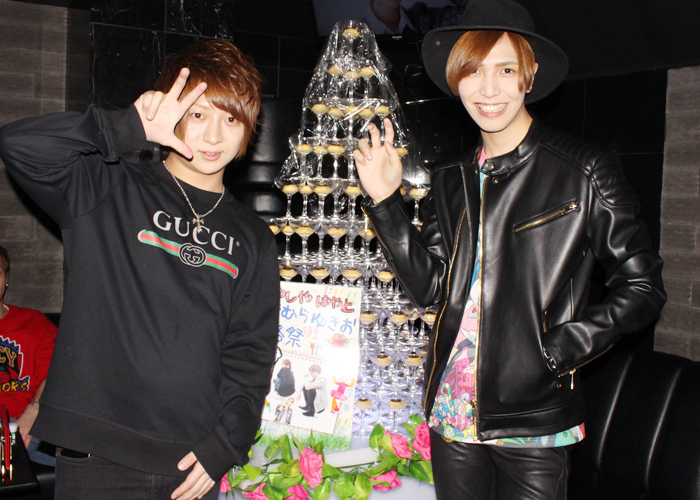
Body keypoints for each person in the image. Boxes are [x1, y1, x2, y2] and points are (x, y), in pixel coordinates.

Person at [354, 0, 666, 498]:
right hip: (453, 407)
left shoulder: (583, 169)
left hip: (534, 415)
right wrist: (386, 203)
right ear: (456, 80)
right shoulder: (450, 178)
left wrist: (561, 348)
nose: (488, 89)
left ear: (530, 75)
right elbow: (432, 290)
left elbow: (643, 286)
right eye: (473, 71)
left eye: (505, 69)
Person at [0, 39, 279, 500]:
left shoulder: (253, 238)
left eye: (230, 119)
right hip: (98, 457)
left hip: (192, 464)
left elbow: (250, 353)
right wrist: (127, 127)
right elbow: (19, 145)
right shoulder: (109, 185)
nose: (214, 136)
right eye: (198, 114)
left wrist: (225, 444)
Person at [0, 245, 57, 466]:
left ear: (6, 279)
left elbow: (56, 374)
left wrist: (32, 414)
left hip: (30, 422)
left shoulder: (34, 323)